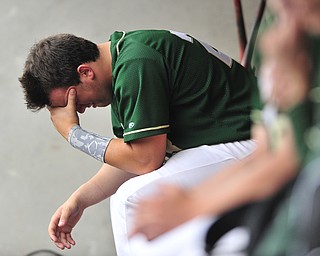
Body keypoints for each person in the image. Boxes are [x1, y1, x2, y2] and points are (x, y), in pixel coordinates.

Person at [19, 29, 259, 255]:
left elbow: (145, 160)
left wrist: (74, 134)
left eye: (73, 99)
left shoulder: (136, 65)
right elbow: (132, 158)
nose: (78, 109)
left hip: (258, 139)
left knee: (129, 198)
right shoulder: (125, 62)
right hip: (235, 140)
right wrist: (80, 200)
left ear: (85, 72)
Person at [129, 0, 319, 255]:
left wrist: (192, 205)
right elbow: (268, 151)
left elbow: (294, 156)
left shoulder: (138, 60)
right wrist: (189, 203)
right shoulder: (278, 35)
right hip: (287, 192)